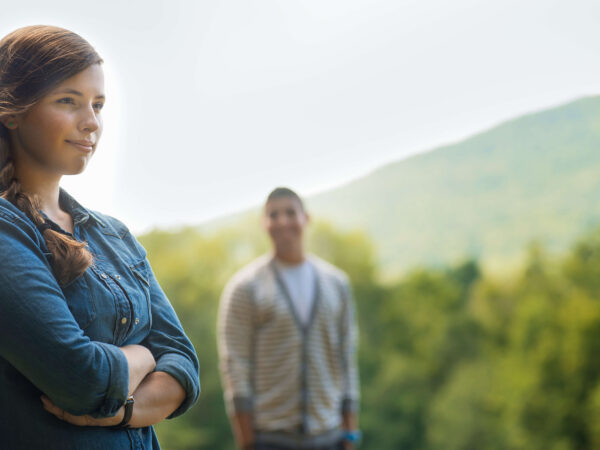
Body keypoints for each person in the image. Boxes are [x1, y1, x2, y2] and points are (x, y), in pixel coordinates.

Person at [0, 25, 200, 449]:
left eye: (98, 104)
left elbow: (184, 364)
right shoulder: (5, 228)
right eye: (68, 101)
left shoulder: (115, 235)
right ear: (12, 110)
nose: (91, 123)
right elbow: (81, 378)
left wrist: (118, 413)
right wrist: (144, 356)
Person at [218, 187, 361, 450]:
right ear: (264, 223)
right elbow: (235, 366)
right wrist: (247, 440)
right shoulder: (245, 287)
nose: (283, 221)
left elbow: (346, 358)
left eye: (290, 212)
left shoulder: (337, 284)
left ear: (306, 218)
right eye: (274, 214)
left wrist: (350, 434)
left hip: (330, 437)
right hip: (270, 438)